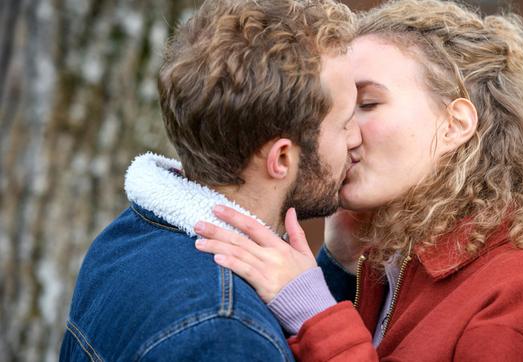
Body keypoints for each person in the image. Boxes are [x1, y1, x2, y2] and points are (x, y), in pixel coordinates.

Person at [194, 0, 523, 360]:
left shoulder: (519, 294)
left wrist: (316, 314)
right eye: (340, 109)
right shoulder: (385, 263)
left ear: (455, 124)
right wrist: (338, 271)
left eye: (366, 104)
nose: (343, 133)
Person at [59, 0, 360, 360]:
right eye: (344, 124)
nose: (356, 137)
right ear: (280, 158)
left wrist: (335, 273)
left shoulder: (126, 238)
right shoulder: (225, 333)